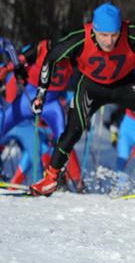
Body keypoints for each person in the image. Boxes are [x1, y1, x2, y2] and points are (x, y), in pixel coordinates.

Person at [29, 2, 135, 196]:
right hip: (91, 87)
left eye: (114, 35)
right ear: (94, 29)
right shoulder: (80, 39)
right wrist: (41, 93)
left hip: (124, 84)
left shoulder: (132, 33)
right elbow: (51, 58)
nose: (109, 41)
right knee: (72, 131)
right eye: (103, 35)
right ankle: (51, 178)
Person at [0, 37, 82, 186]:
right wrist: (7, 71)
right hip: (28, 108)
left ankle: (75, 181)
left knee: (62, 141)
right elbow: (13, 69)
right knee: (5, 126)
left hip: (48, 108)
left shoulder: (72, 56)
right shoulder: (37, 52)